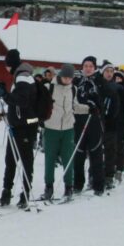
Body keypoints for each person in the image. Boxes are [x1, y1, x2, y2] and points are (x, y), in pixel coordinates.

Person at [0, 62, 40, 208]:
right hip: (22, 127)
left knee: (17, 161)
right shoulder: (28, 79)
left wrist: (5, 95)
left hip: (22, 127)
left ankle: (16, 193)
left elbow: (20, 101)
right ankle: (18, 193)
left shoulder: (23, 78)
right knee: (18, 160)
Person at [42, 63, 76, 201]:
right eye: (65, 77)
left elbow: (75, 105)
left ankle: (69, 187)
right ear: (60, 75)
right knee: (49, 158)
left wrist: (88, 109)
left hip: (68, 128)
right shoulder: (49, 87)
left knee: (68, 158)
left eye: (70, 78)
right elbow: (41, 104)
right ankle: (48, 187)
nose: (67, 80)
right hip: (51, 128)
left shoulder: (73, 89)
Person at [74, 56, 106, 196]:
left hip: (94, 121)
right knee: (79, 153)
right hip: (78, 120)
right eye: (85, 66)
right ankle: (77, 184)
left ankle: (98, 185)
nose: (88, 69)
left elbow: (103, 100)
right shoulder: (77, 81)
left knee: (96, 153)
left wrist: (96, 104)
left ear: (95, 68)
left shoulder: (99, 81)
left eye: (90, 66)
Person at [98, 62, 122, 189]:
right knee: (96, 151)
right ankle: (94, 174)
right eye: (107, 71)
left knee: (110, 151)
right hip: (97, 122)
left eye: (111, 72)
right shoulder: (98, 85)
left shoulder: (116, 87)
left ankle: (109, 176)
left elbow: (119, 105)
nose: (109, 74)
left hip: (111, 124)